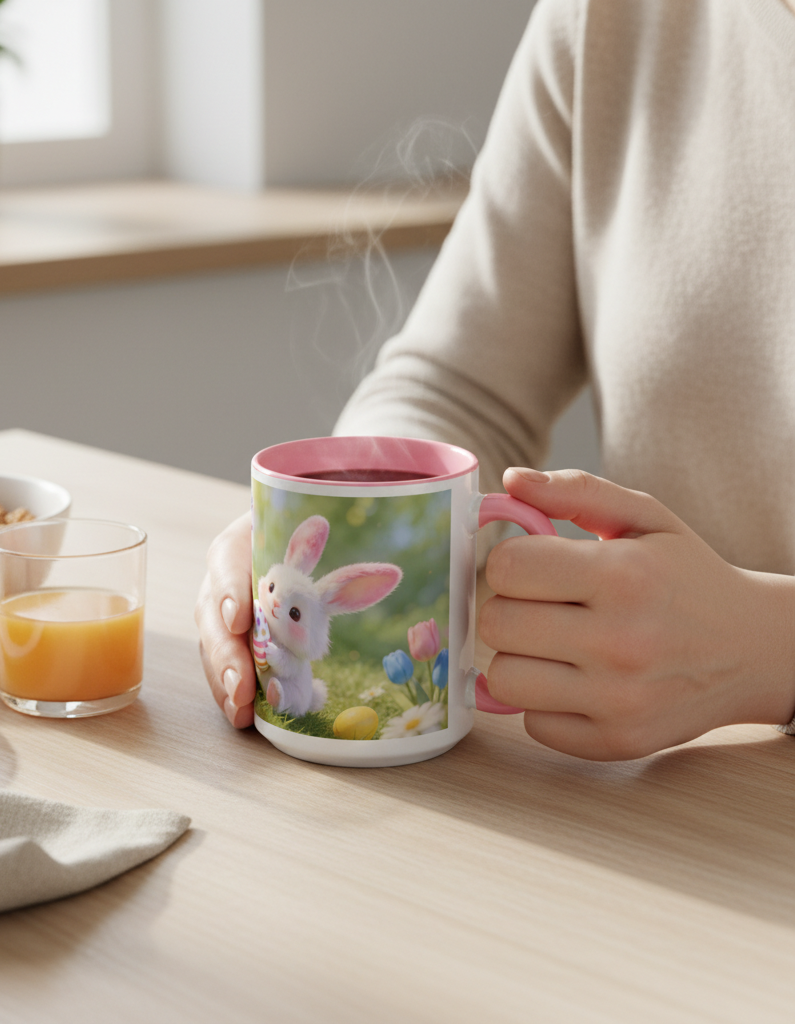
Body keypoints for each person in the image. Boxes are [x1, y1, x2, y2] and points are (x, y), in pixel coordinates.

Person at [195, 0, 795, 760]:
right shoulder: (611, 19)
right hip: (686, 806)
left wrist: (773, 650)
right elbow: (458, 387)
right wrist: (362, 502)